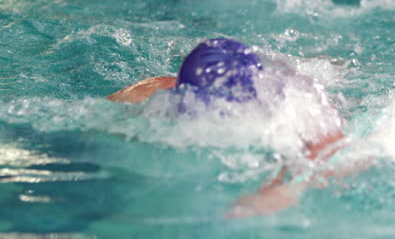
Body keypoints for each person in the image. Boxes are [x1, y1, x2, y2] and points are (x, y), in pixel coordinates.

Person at [107, 38, 356, 218]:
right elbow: (93, 118)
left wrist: (280, 191)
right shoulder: (149, 92)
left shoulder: (295, 104)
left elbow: (339, 155)